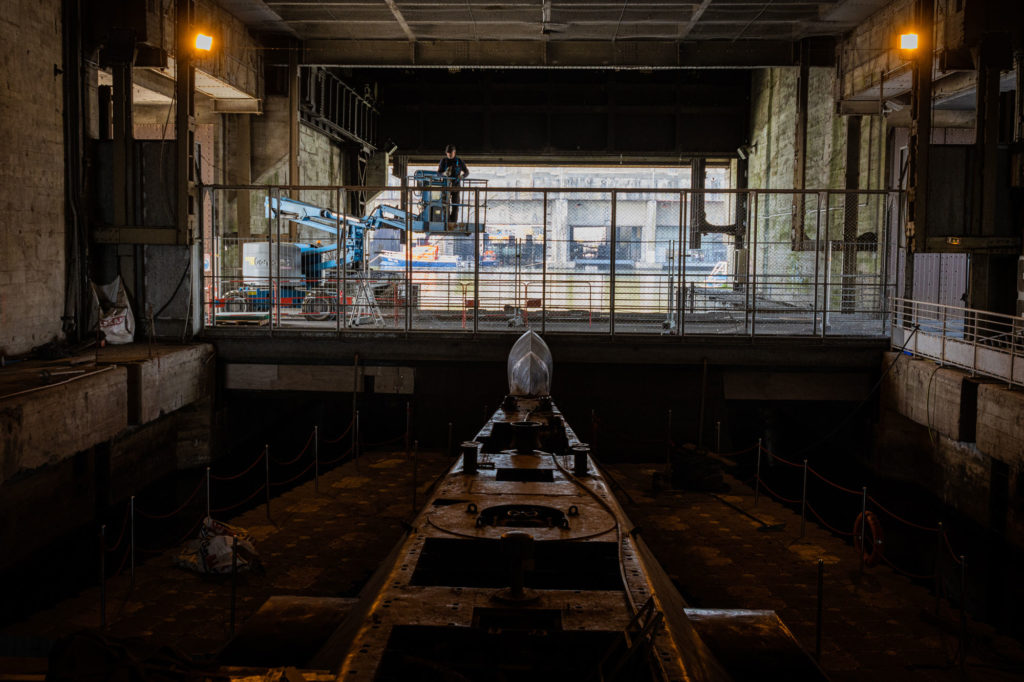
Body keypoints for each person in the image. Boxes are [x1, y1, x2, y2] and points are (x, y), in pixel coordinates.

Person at [437, 144, 469, 223]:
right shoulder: (443, 161)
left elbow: (466, 172)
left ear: (454, 152)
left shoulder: (459, 161)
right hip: (445, 187)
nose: (449, 155)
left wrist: (462, 177)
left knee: (455, 205)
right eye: (447, 154)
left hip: (456, 186)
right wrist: (444, 174)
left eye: (450, 154)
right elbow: (438, 173)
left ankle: (453, 222)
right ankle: (446, 221)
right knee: (445, 204)